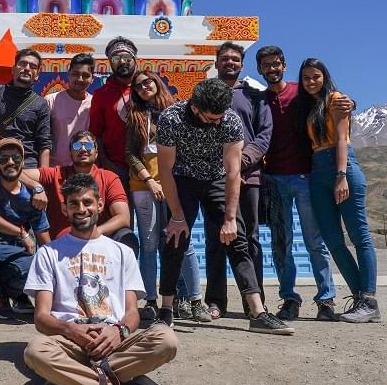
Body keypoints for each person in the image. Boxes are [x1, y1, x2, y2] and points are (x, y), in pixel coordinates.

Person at [23, 173, 185, 385]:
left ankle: (68, 383)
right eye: (73, 203)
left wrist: (119, 331)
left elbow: (132, 313)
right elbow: (42, 318)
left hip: (115, 341)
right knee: (35, 350)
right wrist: (70, 330)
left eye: (87, 202)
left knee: (166, 340)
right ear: (65, 209)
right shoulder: (48, 253)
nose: (81, 209)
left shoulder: (122, 253)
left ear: (99, 205)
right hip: (70, 343)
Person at [157, 78, 293, 335]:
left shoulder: (230, 120)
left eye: (220, 117)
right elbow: (165, 169)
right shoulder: (171, 118)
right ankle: (165, 310)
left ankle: (257, 312)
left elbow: (233, 171)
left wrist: (230, 218)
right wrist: (176, 216)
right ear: (196, 108)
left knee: (237, 238)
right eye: (211, 118)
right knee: (175, 238)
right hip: (182, 179)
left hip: (217, 178)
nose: (217, 122)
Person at [257, 46, 343, 322]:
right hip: (274, 180)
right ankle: (289, 299)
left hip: (306, 177)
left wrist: (347, 102)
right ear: (259, 70)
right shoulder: (259, 101)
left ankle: (326, 301)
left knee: (314, 242)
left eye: (276, 64)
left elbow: (327, 101)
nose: (272, 69)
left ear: (284, 65)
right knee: (281, 244)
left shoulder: (300, 93)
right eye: (266, 65)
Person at [297, 59, 381, 323]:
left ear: (325, 77)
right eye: (306, 78)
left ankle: (369, 300)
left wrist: (341, 176)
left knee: (359, 236)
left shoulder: (336, 100)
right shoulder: (309, 106)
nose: (311, 81)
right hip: (317, 172)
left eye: (316, 76)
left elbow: (342, 140)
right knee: (333, 241)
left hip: (341, 168)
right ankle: (360, 300)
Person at [124, 70, 206, 323]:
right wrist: (149, 180)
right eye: (138, 86)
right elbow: (130, 152)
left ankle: (195, 300)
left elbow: (190, 148)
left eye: (147, 82)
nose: (143, 87)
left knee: (183, 242)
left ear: (157, 82)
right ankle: (150, 301)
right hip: (142, 186)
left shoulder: (180, 112)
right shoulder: (135, 116)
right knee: (149, 245)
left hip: (175, 185)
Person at [203, 42, 272, 320]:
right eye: (225, 59)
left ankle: (254, 302)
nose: (230, 63)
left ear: (241, 65)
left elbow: (264, 135)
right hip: (214, 178)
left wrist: (240, 163)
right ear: (216, 63)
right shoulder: (205, 93)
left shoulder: (255, 97)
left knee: (250, 239)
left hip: (249, 177)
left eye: (235, 59)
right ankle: (216, 301)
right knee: (215, 238)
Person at [0, 137, 51, 317]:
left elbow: (45, 241)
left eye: (15, 158)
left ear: (23, 162)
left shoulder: (32, 196)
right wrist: (21, 233)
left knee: (38, 269)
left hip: (13, 256)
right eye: (3, 159)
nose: (10, 162)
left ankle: (11, 293)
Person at [22, 130, 136, 252]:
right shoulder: (56, 174)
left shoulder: (109, 177)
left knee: (127, 237)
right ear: (70, 153)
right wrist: (36, 187)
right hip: (62, 245)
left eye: (88, 145)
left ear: (96, 153)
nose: (83, 149)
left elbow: (123, 217)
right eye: (77, 146)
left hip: (100, 244)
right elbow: (18, 174)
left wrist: (95, 233)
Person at [0, 48, 52, 169]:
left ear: (37, 75)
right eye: (22, 63)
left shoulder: (41, 104)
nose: (27, 68)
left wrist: (43, 178)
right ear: (13, 69)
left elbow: (44, 143)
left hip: (27, 166)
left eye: (33, 66)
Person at [91, 37, 138, 184]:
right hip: (116, 169)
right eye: (116, 58)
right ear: (110, 62)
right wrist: (106, 163)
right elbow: (96, 134)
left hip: (151, 167)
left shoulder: (148, 87)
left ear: (136, 59)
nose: (122, 61)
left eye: (126, 57)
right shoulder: (101, 94)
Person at [45, 53, 95, 167]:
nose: (80, 79)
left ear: (92, 78)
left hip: (84, 168)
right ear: (68, 74)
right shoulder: (51, 101)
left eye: (86, 75)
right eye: (75, 74)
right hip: (55, 168)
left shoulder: (95, 104)